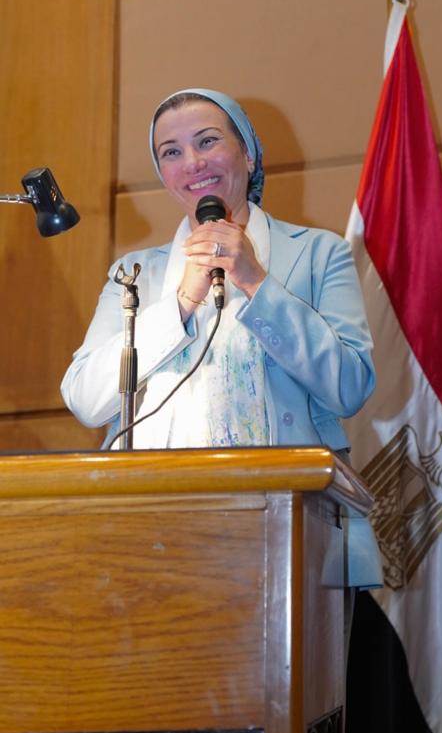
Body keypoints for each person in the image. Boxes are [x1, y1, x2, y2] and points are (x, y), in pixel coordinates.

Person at [61, 88, 382, 587]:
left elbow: (350, 387)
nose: (192, 163)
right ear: (163, 174)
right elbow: (86, 399)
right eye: (171, 152)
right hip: (157, 532)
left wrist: (256, 282)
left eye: (207, 141)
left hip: (292, 528)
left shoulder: (320, 254)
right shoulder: (136, 274)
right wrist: (179, 305)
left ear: (248, 154)